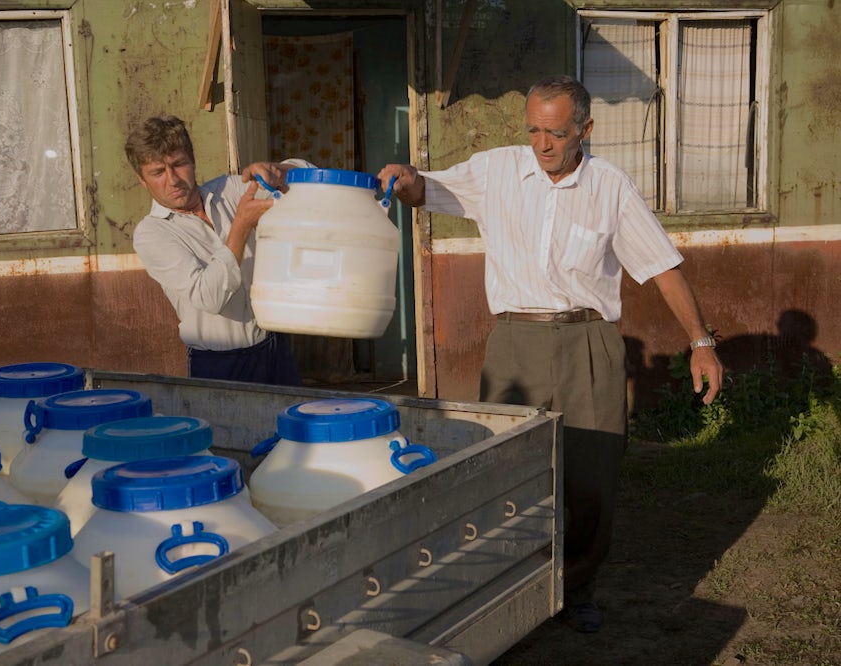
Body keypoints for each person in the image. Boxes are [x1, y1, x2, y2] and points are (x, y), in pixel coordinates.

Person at [377, 75, 724, 633]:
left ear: (586, 129)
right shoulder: (496, 171)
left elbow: (662, 264)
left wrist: (702, 344)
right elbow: (426, 189)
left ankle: (576, 586)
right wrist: (404, 175)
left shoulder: (610, 186)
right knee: (503, 471)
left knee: (590, 478)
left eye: (556, 134)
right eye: (534, 130)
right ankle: (508, 583)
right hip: (515, 342)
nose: (542, 145)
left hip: (589, 343)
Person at [125, 115, 311, 385]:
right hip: (219, 364)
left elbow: (308, 179)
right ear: (142, 180)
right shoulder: (151, 233)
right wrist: (241, 225)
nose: (173, 180)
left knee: (291, 426)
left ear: (193, 161)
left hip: (273, 347)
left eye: (179, 165)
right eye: (158, 172)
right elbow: (208, 298)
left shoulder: (230, 189)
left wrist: (278, 171)